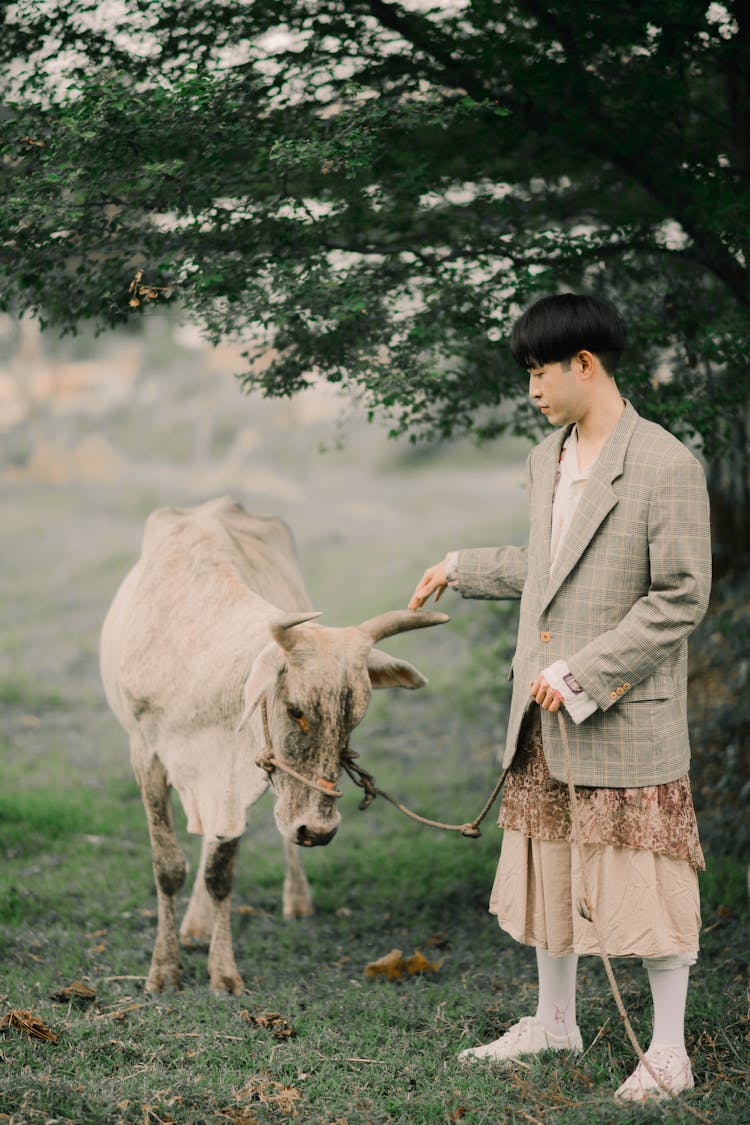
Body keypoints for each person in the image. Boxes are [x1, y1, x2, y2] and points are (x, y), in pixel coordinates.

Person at [408, 293, 711, 1104]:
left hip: (620, 716)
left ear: (585, 364)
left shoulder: (665, 463)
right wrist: (461, 565)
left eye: (541, 370)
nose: (533, 388)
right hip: (538, 713)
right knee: (547, 863)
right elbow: (550, 566)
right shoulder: (549, 457)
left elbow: (680, 597)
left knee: (645, 879)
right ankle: (553, 1019)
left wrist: (584, 672)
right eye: (529, 372)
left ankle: (671, 1051)